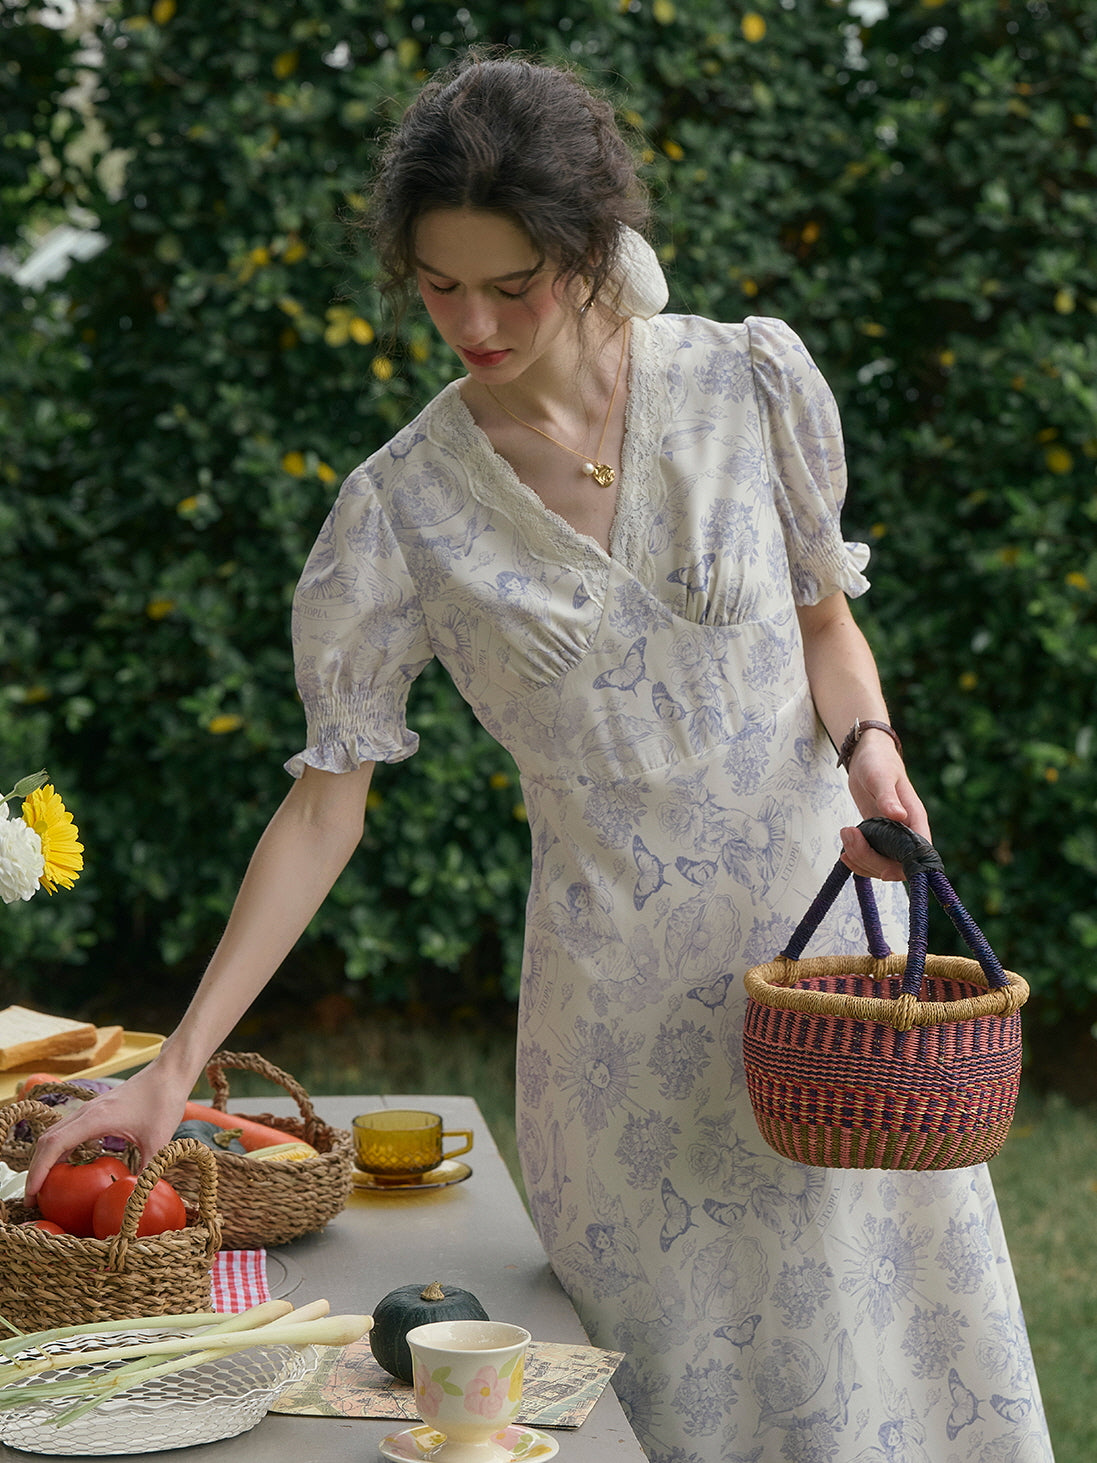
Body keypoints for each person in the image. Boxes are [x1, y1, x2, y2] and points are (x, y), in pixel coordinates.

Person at [28, 51, 1052, 1463]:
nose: (473, 323)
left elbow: (828, 631)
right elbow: (323, 813)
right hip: (613, 1009)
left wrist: (871, 750)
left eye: (511, 283)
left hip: (831, 974)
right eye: (440, 287)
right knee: (675, 1390)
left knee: (878, 1353)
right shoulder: (398, 511)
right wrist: (178, 1066)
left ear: (585, 250)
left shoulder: (746, 382)